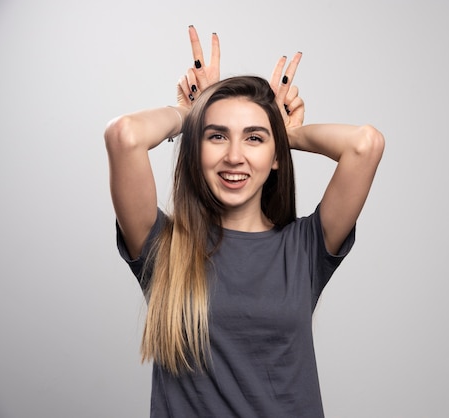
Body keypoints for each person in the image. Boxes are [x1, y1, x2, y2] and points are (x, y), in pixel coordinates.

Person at [104, 25, 384, 418]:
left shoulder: (304, 248)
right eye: (216, 137)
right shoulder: (163, 247)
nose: (235, 156)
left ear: (276, 157)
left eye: (254, 139)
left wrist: (292, 135)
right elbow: (124, 135)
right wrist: (189, 113)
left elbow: (365, 144)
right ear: (195, 148)